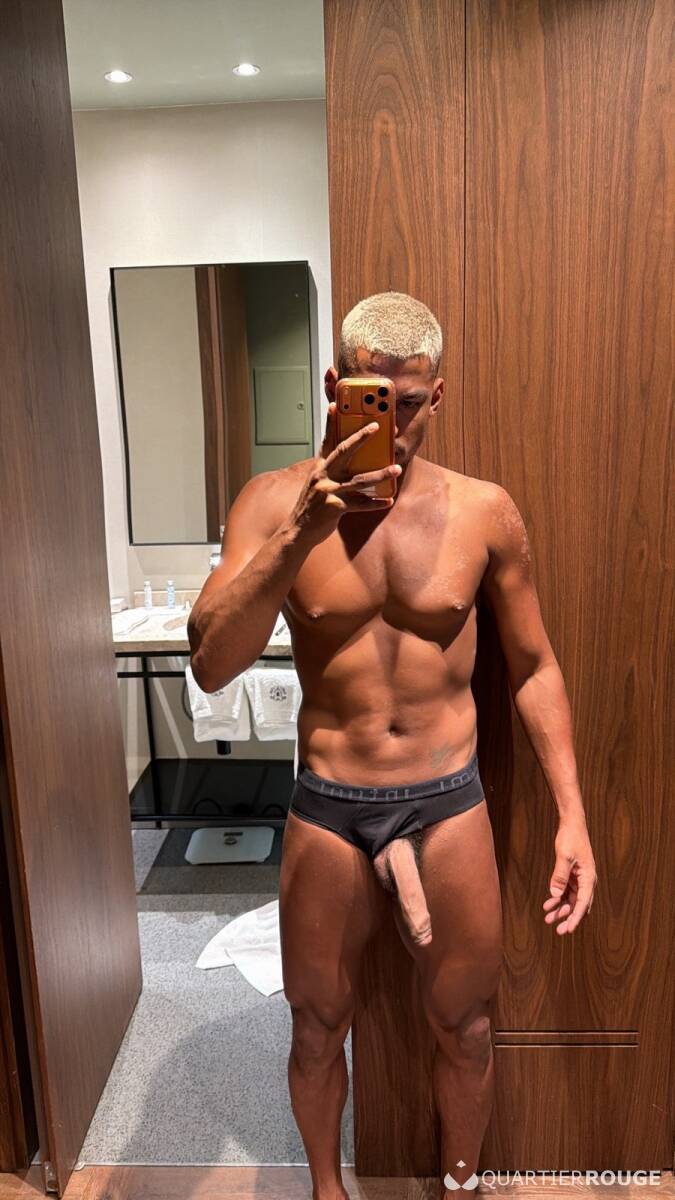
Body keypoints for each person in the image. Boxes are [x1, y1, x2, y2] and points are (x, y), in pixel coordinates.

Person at [188, 291, 597, 1200]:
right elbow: (211, 665)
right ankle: (326, 1193)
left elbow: (534, 668)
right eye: (373, 400)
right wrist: (301, 533)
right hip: (328, 806)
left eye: (411, 404)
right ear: (335, 387)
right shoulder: (270, 503)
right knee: (314, 1025)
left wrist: (572, 818)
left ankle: (458, 1189)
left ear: (436, 395)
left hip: (444, 802)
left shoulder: (482, 511)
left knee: (466, 1026)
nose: (393, 425)